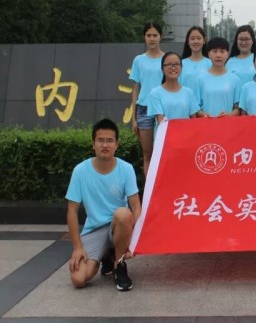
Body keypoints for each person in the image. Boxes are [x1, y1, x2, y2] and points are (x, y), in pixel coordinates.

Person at [66, 118, 141, 292]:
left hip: (118, 226)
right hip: (94, 230)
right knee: (78, 279)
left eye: (109, 140)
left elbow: (136, 207)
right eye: (100, 140)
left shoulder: (126, 169)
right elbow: (72, 211)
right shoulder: (80, 171)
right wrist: (77, 248)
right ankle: (107, 255)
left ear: (116, 144)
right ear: (93, 144)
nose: (105, 145)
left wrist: (135, 241)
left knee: (123, 214)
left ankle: (118, 265)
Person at [129, 22, 164, 177]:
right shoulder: (138, 60)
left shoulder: (167, 59)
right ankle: (149, 189)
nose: (152, 38)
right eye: (149, 35)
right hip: (144, 109)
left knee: (163, 151)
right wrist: (134, 119)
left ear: (160, 37)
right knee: (148, 153)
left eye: (155, 35)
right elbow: (135, 89)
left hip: (163, 109)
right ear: (144, 37)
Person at [193, 37, 241, 117]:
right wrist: (204, 115)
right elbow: (196, 108)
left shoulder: (235, 79)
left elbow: (237, 108)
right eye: (214, 51)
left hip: (227, 124)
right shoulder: (200, 79)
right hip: (207, 123)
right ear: (209, 54)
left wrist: (229, 115)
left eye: (222, 51)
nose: (218, 55)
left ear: (228, 54)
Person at [147, 52, 200, 124]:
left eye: (177, 64)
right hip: (166, 131)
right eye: (169, 64)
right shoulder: (155, 93)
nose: (173, 67)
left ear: (181, 67)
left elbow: (193, 120)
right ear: (162, 69)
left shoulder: (189, 92)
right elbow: (161, 121)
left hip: (186, 131)